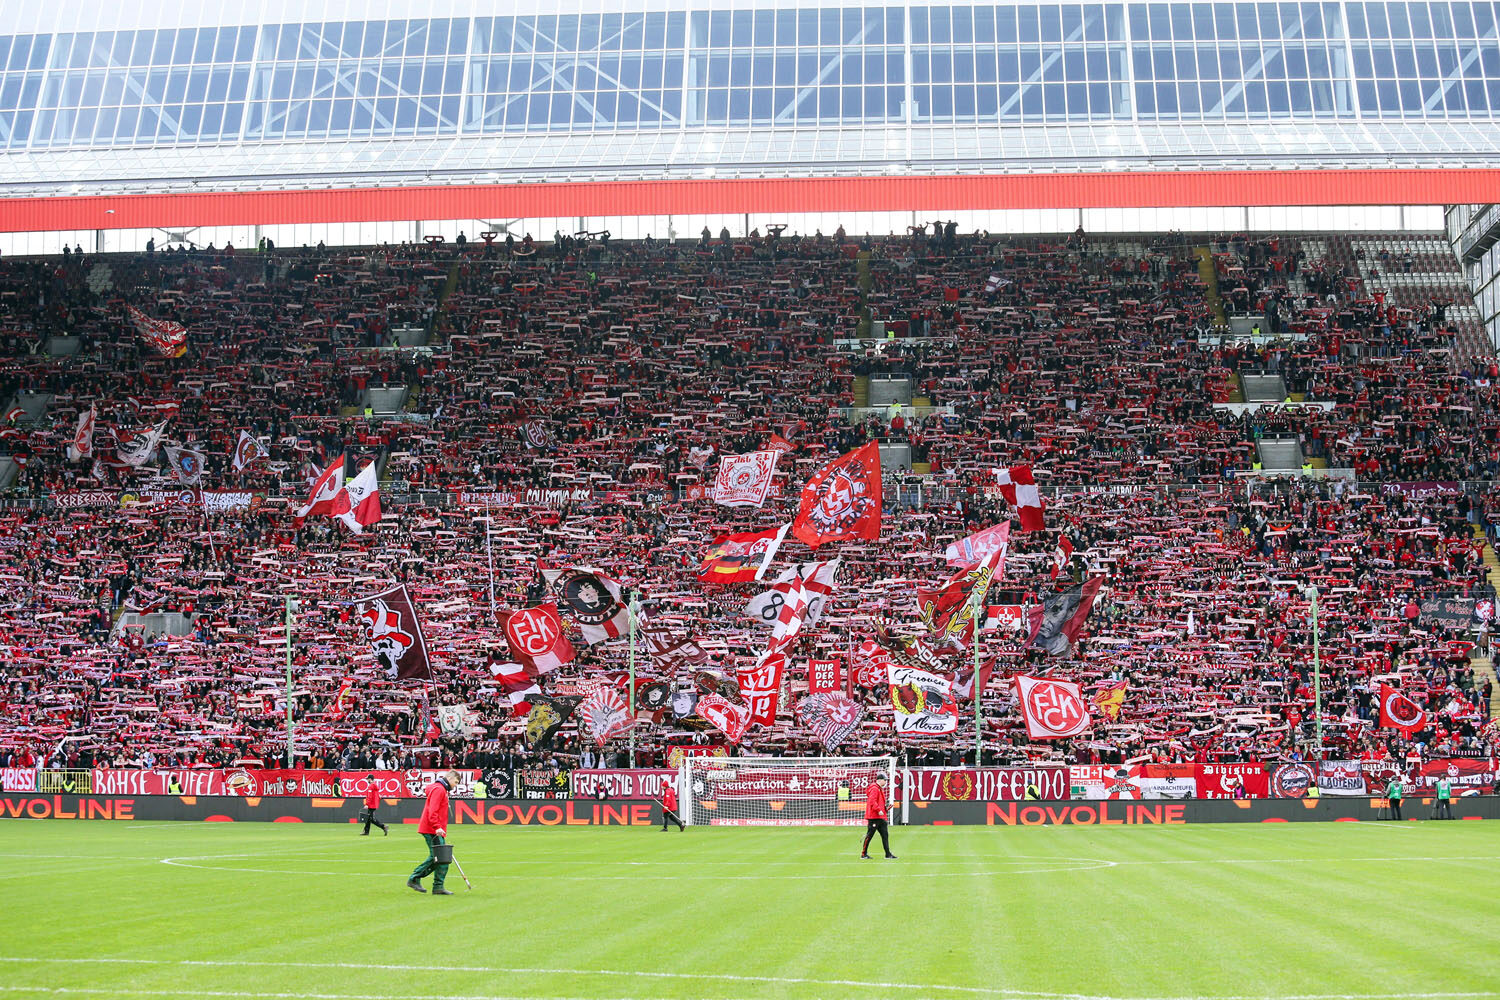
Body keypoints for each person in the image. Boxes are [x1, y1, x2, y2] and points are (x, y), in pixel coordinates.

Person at [408, 769, 459, 895]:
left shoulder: (441, 789)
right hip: (432, 829)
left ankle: (438, 886)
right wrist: (437, 827)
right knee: (438, 857)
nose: (455, 785)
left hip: (436, 829)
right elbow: (433, 810)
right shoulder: (439, 789)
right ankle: (414, 878)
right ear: (450, 778)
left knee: (443, 858)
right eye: (456, 782)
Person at [860, 773, 896, 860]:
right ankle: (863, 854)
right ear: (880, 780)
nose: (886, 782)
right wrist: (879, 810)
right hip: (874, 817)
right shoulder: (875, 789)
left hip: (880, 817)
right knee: (870, 835)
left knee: (885, 835)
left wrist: (884, 810)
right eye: (885, 780)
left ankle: (888, 854)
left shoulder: (878, 789)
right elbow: (872, 801)